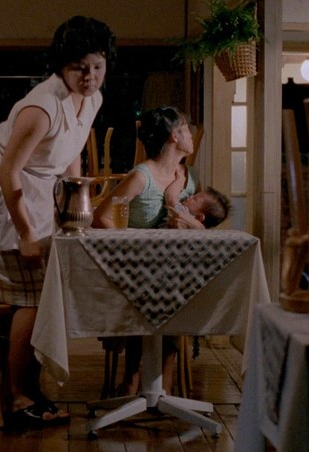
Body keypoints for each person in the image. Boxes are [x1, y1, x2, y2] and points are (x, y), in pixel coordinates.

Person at [0, 16, 115, 428]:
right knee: (31, 291)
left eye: (97, 66)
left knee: (40, 285)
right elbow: (8, 171)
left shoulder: (92, 99)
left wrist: (75, 206)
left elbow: (72, 152)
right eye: (79, 68)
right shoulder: (42, 106)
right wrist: (27, 233)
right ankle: (18, 397)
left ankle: (25, 386)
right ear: (62, 66)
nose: (90, 76)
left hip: (34, 186)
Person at [92, 106, 222, 396]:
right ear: (174, 136)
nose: (190, 134)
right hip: (137, 269)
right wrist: (129, 247)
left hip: (177, 271)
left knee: (176, 289)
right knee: (156, 291)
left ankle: (164, 379)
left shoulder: (191, 178)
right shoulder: (142, 176)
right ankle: (135, 375)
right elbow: (101, 217)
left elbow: (204, 227)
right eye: (185, 129)